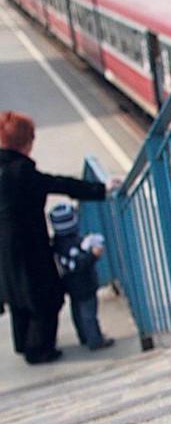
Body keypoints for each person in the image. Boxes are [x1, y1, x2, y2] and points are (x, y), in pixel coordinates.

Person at [0, 110, 111, 365]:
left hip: (4, 251)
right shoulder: (22, 172)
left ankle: (25, 346)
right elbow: (60, 184)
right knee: (45, 298)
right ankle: (41, 350)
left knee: (18, 300)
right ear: (27, 142)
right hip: (29, 248)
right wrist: (100, 189)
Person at [49, 203, 114, 351]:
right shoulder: (73, 244)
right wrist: (93, 255)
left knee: (78, 312)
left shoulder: (58, 244)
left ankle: (84, 336)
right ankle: (95, 339)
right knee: (89, 313)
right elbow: (81, 263)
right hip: (85, 284)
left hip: (70, 284)